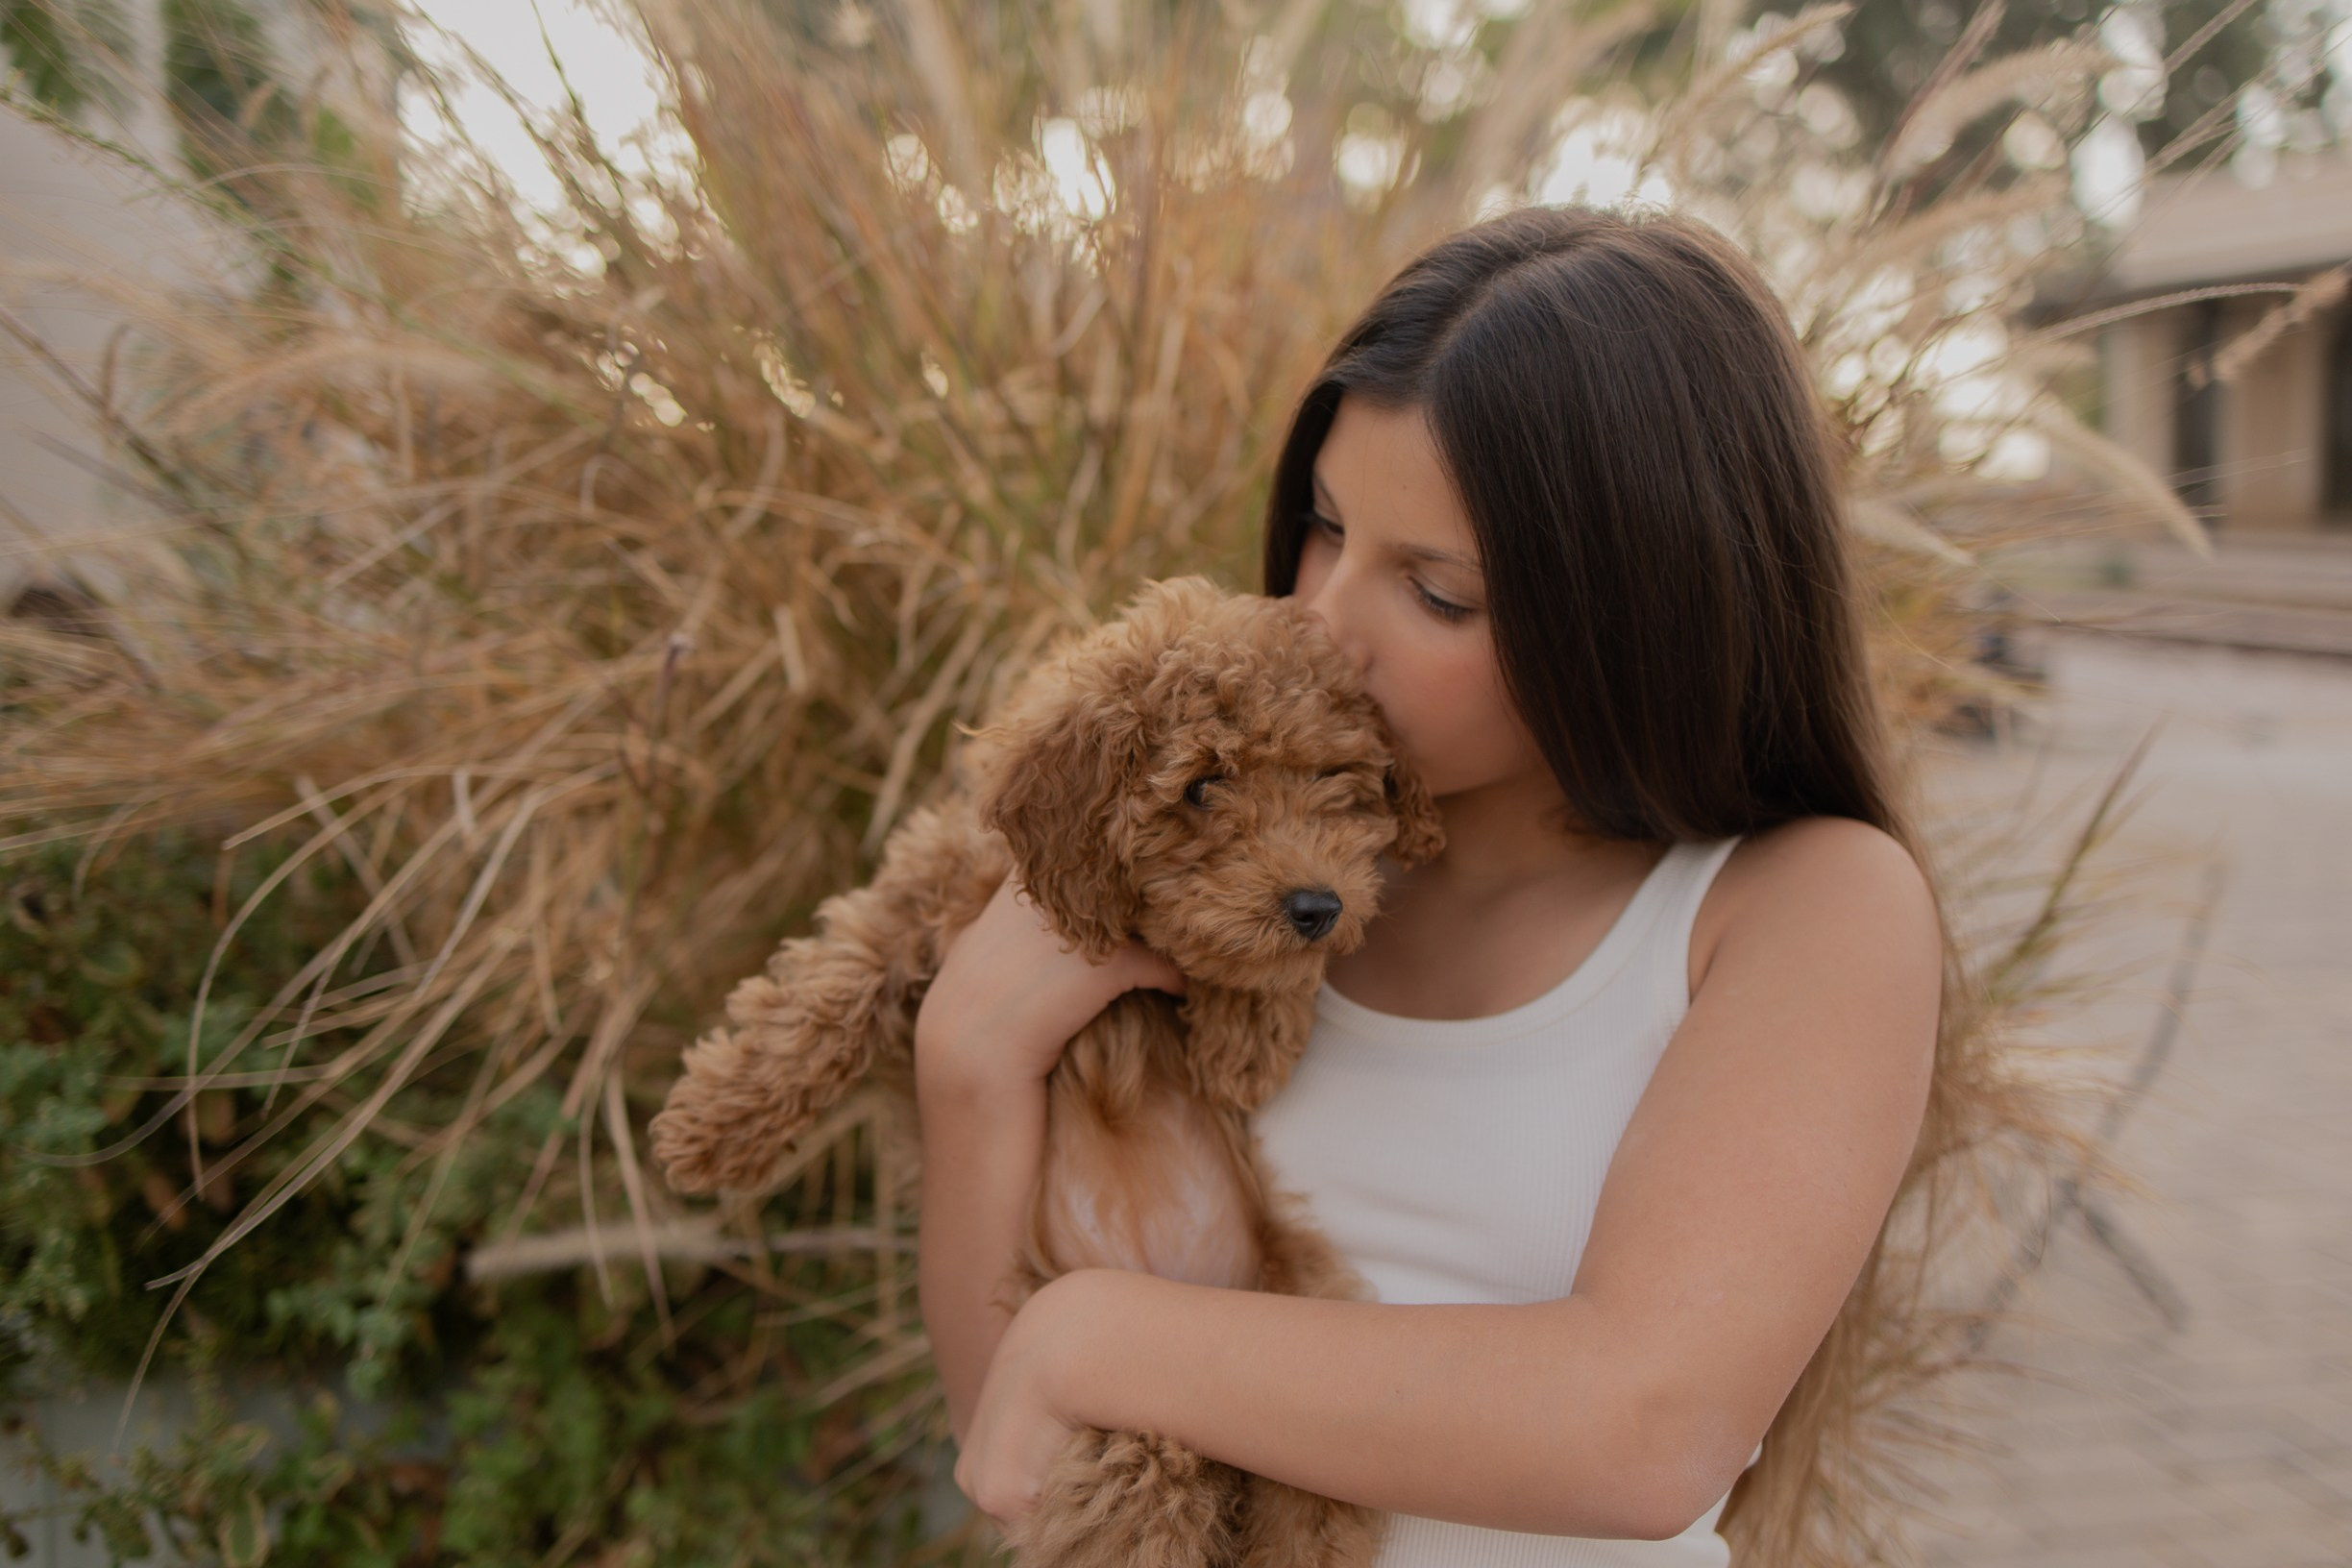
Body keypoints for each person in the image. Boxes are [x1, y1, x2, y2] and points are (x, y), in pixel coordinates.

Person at [911, 204, 1947, 1566]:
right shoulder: (1217, 859)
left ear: (1635, 617)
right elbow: (1013, 1446)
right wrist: (967, 1072)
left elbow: (1641, 1431)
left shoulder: (1799, 906)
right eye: (1325, 527)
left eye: (1438, 593)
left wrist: (1104, 1337)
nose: (1322, 624)